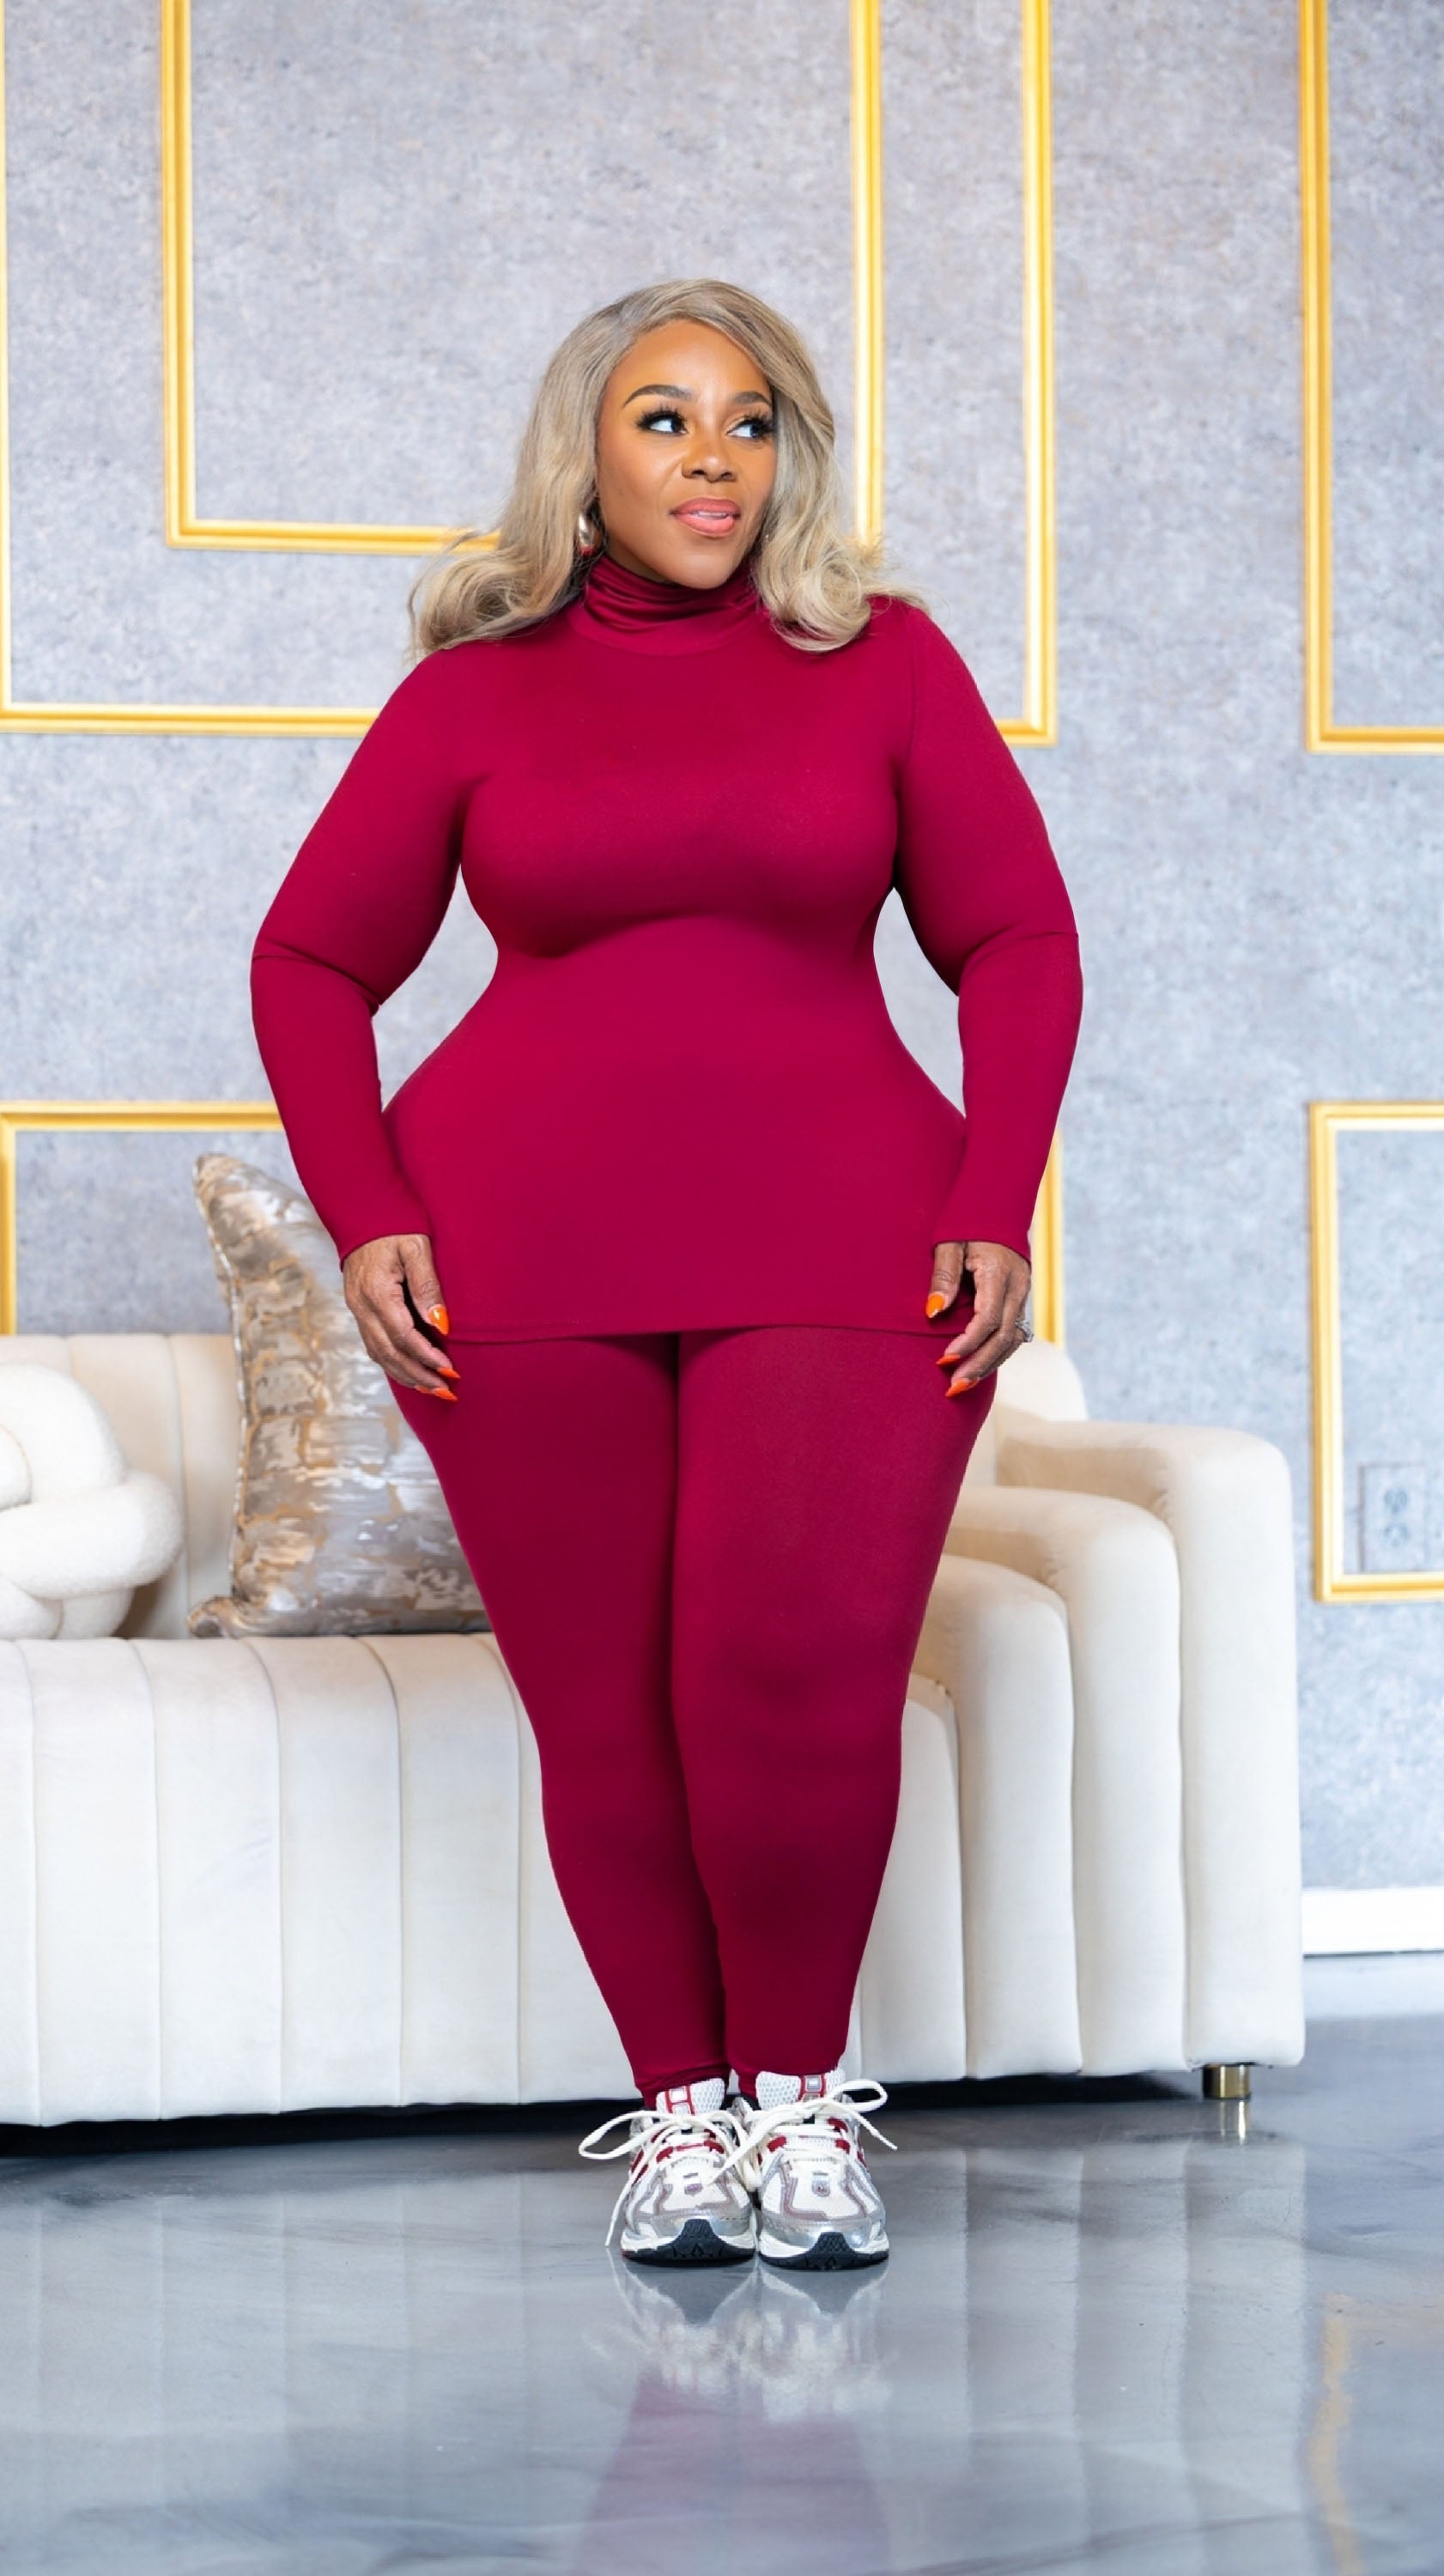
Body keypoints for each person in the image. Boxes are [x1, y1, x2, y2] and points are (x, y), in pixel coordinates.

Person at [250, 278, 1082, 2271]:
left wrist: (995, 1194)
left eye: (750, 420)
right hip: (518, 1251)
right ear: (586, 456)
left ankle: (798, 2102)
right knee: (606, 1708)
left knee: (789, 1682)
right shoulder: (472, 695)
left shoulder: (886, 665)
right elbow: (310, 959)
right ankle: (683, 2117)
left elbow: (1019, 940)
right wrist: (368, 1209)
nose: (714, 459)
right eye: (664, 419)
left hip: (852, 1238)